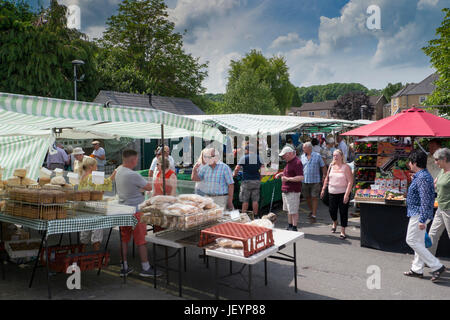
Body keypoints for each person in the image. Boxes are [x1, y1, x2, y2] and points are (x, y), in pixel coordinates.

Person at [115, 149, 160, 277]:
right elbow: (149, 187)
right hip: (136, 210)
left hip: (123, 209)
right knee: (141, 240)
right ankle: (145, 267)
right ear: (133, 160)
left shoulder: (119, 171)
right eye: (136, 159)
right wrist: (139, 189)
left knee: (124, 239)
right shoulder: (133, 175)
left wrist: (137, 189)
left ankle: (124, 266)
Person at [403, 150, 445, 282]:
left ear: (415, 163)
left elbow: (426, 200)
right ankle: (417, 269)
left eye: (410, 162)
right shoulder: (422, 176)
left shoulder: (422, 178)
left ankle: (436, 265)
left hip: (419, 213)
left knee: (411, 240)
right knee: (419, 242)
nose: (409, 165)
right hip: (419, 213)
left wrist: (422, 219)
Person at [77, 157, 116, 251]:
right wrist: (114, 173)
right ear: (91, 166)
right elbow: (104, 187)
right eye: (96, 165)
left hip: (84, 207)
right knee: (97, 233)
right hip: (95, 207)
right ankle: (96, 258)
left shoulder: (82, 177)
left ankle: (82, 255)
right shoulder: (93, 177)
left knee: (84, 232)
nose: (97, 167)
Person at [321, 150, 353, 239]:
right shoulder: (331, 166)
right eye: (334, 155)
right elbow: (327, 178)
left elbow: (350, 181)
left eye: (337, 155)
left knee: (343, 212)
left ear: (341, 156)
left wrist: (346, 194)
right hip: (332, 192)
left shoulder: (346, 167)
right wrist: (323, 189)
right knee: (332, 211)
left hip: (343, 193)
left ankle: (343, 231)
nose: (335, 157)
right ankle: (335, 221)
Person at [275, 146, 304, 231]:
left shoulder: (297, 162)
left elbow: (301, 177)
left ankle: (294, 227)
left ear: (290, 154)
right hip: (286, 190)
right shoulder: (289, 162)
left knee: (293, 210)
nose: (283, 157)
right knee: (288, 210)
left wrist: (287, 179)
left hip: (293, 190)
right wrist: (281, 174)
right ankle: (290, 225)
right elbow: (288, 173)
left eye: (284, 155)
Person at [427, 148, 450, 256]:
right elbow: (434, 184)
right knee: (433, 234)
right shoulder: (442, 171)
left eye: (437, 160)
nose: (435, 162)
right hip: (441, 207)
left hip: (449, 208)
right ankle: (428, 260)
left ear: (444, 159)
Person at [233, 144, 264, 218]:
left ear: (248, 150)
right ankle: (256, 216)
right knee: (255, 200)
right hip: (256, 180)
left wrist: (234, 175)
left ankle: (243, 216)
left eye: (246, 149)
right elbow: (263, 168)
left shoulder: (244, 157)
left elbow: (237, 168)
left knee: (245, 200)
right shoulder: (259, 157)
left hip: (246, 181)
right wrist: (260, 177)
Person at [301, 142, 327, 220]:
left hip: (315, 180)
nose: (303, 149)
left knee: (314, 197)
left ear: (309, 148)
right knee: (307, 197)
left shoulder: (317, 156)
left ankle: (314, 214)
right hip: (305, 180)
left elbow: (323, 166)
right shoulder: (302, 157)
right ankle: (312, 211)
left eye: (304, 147)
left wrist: (324, 176)